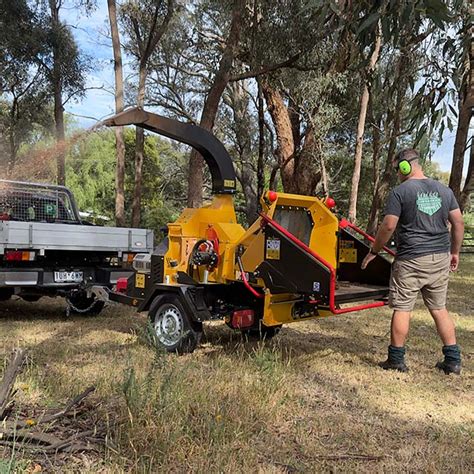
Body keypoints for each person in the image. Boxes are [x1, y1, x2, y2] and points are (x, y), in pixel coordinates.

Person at [361, 149, 465, 375]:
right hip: (439, 258)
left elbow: (388, 226)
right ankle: (453, 361)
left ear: (405, 166)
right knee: (439, 308)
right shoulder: (444, 190)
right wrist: (454, 252)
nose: (397, 172)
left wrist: (374, 251)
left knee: (402, 308)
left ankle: (396, 360)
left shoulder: (400, 192)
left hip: (411, 260)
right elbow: (458, 223)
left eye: (398, 168)